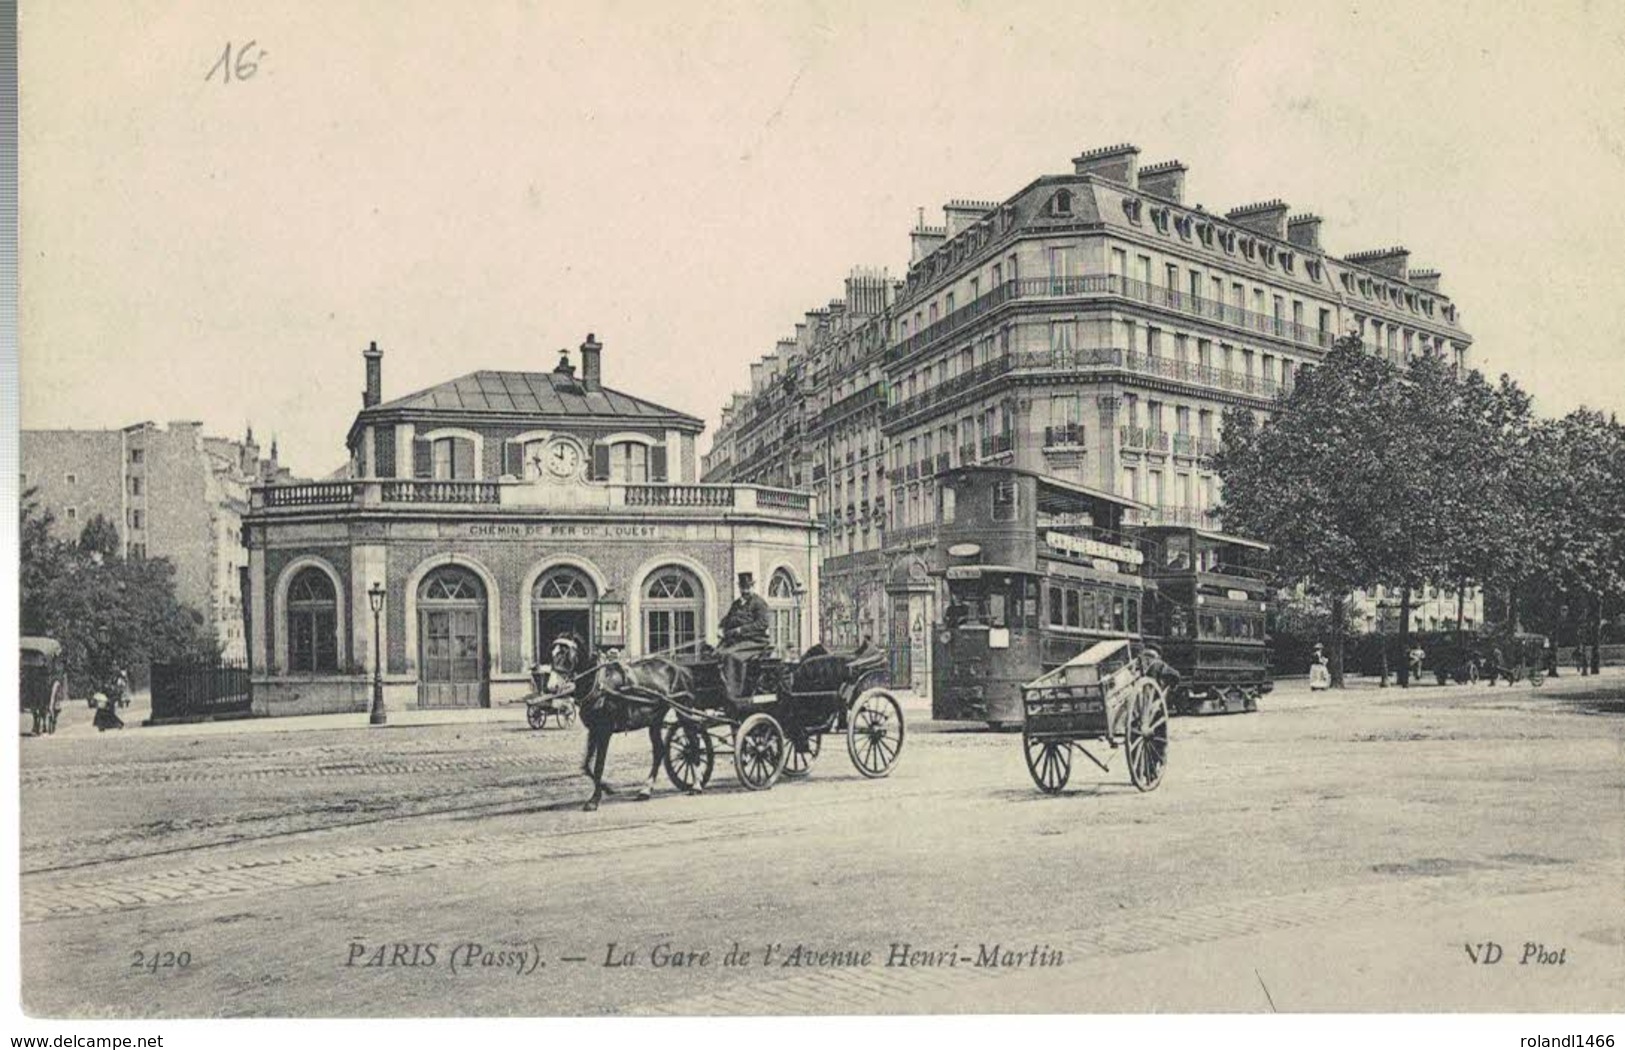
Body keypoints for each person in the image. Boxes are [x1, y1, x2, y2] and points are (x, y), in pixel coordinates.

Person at [718, 572, 772, 701]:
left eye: (748, 587)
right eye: (743, 588)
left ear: (752, 587)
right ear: (739, 588)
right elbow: (728, 619)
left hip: (755, 641)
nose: (745, 590)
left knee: (731, 656)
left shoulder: (759, 603)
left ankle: (734, 693)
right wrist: (720, 628)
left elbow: (762, 624)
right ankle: (720, 689)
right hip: (736, 640)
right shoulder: (736, 604)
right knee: (715, 654)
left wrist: (741, 630)